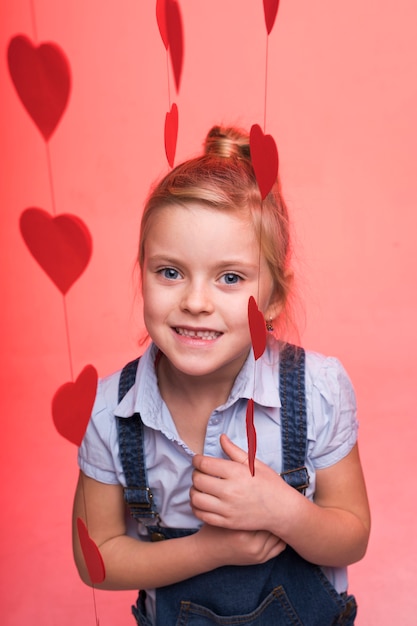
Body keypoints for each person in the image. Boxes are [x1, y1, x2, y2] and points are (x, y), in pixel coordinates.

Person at [72, 125, 370, 625]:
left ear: (274, 295)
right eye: (170, 272)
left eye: (230, 278)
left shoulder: (317, 390)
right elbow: (95, 558)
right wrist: (211, 550)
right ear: (140, 271)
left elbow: (353, 535)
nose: (194, 301)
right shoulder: (109, 411)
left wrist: (284, 510)